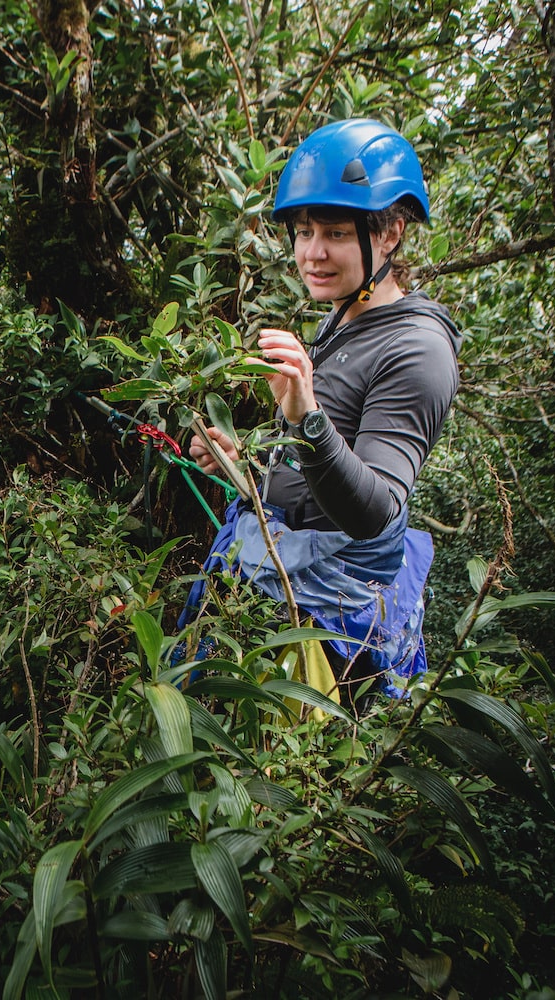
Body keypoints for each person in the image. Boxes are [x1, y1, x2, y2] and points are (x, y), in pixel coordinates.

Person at [183, 118, 462, 701]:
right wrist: (248, 464)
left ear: (390, 233)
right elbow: (314, 476)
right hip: (277, 586)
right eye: (304, 231)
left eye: (334, 232)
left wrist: (306, 418)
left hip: (328, 635)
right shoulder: (343, 315)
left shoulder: (418, 351)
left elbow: (371, 510)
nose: (312, 253)